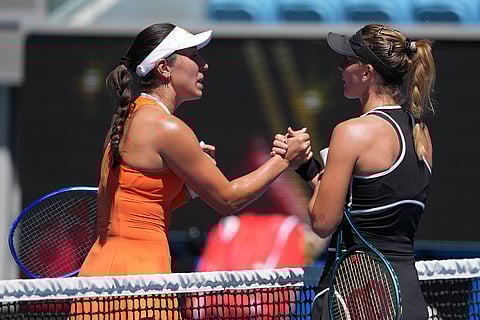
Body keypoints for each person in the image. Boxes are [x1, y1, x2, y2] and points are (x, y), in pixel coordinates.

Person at [78, 23, 311, 278]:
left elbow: (145, 205)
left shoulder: (125, 119)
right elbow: (228, 199)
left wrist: (190, 188)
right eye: (193, 56)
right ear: (164, 68)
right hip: (138, 280)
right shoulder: (166, 128)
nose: (204, 65)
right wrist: (284, 160)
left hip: (99, 275)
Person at [272, 24, 435, 319]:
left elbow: (323, 221)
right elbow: (369, 204)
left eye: (347, 60)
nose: (340, 66)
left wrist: (299, 162)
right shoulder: (421, 133)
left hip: (354, 298)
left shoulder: (351, 133)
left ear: (367, 71)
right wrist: (308, 168)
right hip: (407, 300)